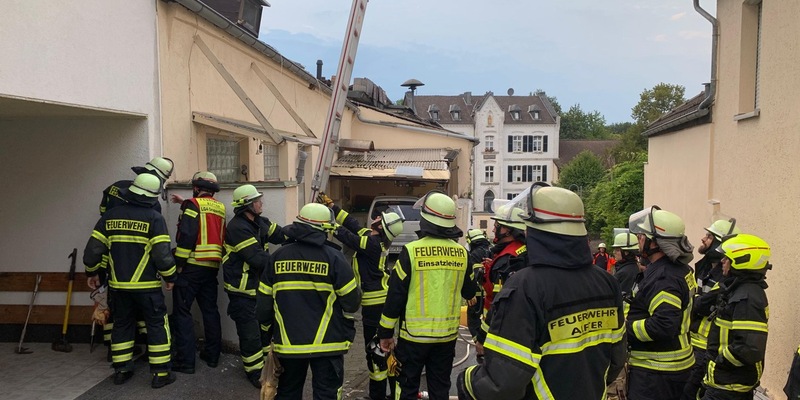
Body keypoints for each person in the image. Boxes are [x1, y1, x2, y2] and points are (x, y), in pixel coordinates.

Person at [456, 183, 626, 399]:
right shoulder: (607, 283)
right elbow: (616, 359)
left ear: (538, 232)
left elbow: (503, 383)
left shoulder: (525, 287)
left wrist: (466, 382)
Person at [377, 190, 477, 400]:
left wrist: (385, 333)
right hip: (447, 338)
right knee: (440, 390)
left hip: (413, 338)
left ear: (425, 219)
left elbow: (395, 296)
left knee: (407, 388)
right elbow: (469, 292)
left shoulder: (411, 251)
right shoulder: (463, 254)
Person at [256, 202, 361, 400]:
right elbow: (351, 302)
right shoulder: (335, 258)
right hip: (328, 344)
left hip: (289, 344)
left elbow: (263, 308)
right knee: (326, 395)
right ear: (323, 229)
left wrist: (268, 334)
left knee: (288, 393)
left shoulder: (277, 257)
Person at [83, 173, 177, 389]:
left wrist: (92, 272)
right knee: (157, 326)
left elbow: (92, 251)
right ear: (151, 197)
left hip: (118, 287)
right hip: (147, 288)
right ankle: (161, 374)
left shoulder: (109, 217)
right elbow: (162, 255)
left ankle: (122, 370)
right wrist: (170, 276)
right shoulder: (154, 219)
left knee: (122, 325)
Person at [320, 193, 403, 400]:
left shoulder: (372, 244)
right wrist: (332, 207)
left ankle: (379, 396)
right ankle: (390, 394)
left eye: (380, 218)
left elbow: (350, 238)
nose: (377, 217)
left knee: (376, 351)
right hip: (379, 301)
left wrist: (329, 225)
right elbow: (352, 224)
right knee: (382, 350)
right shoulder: (372, 237)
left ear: (381, 227)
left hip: (375, 305)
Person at [98, 156, 174, 359]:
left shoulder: (115, 188)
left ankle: (116, 355)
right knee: (150, 316)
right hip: (142, 271)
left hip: (114, 263)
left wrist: (94, 269)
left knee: (119, 314)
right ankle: (154, 356)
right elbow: (158, 247)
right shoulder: (152, 206)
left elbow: (102, 218)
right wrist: (169, 275)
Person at [626, 206, 696, 400]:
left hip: (657, 372)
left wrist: (626, 328)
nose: (639, 239)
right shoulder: (678, 269)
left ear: (655, 242)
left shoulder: (663, 278)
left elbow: (663, 325)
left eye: (642, 236)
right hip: (672, 368)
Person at [222, 184, 285, 387]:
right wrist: (283, 265)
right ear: (247, 205)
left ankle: (267, 365)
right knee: (250, 333)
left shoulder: (259, 222)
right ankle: (254, 371)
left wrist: (303, 232)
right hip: (242, 290)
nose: (261, 203)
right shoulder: (237, 228)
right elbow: (257, 258)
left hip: (257, 288)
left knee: (264, 330)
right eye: (257, 201)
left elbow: (280, 234)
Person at [701, 233, 770, 400]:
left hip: (729, 386)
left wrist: (719, 362)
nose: (722, 261)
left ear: (740, 262)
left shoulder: (746, 297)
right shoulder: (739, 290)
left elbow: (748, 348)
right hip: (725, 383)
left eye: (727, 258)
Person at [171, 172, 225, 374]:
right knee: (210, 311)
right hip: (212, 268)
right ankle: (212, 356)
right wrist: (184, 203)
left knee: (182, 312)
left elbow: (187, 235)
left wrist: (179, 264)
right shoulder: (220, 207)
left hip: (191, 267)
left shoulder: (193, 205)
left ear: (196, 188)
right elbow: (205, 219)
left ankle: (185, 362)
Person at [682, 218, 741, 400]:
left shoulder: (727, 277)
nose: (703, 239)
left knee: (690, 392)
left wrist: (694, 301)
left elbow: (699, 304)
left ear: (719, 244)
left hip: (706, 345)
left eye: (709, 236)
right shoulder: (704, 267)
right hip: (691, 340)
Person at [473, 204, 528, 355]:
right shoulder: (521, 251)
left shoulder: (506, 260)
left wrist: (482, 338)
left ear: (508, 230)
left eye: (497, 226)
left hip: (500, 332)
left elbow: (498, 305)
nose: (493, 230)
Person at [465, 229, 492, 343]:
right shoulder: (491, 251)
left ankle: (478, 343)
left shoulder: (474, 254)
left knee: (473, 320)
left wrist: (469, 294)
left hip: (476, 295)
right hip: (490, 295)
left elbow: (474, 276)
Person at [611, 230, 639, 296]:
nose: (614, 252)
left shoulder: (624, 273)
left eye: (617, 250)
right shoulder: (632, 267)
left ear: (626, 252)